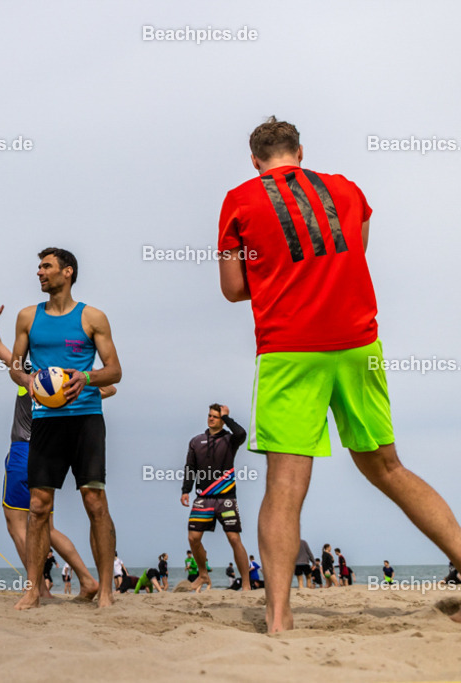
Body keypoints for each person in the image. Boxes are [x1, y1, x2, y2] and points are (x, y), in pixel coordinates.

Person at [217, 117, 461, 631]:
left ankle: (280, 617)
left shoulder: (239, 200)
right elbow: (358, 249)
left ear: (255, 160)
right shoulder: (347, 189)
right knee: (388, 467)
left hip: (291, 349)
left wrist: (279, 274)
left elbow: (234, 287)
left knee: (285, 482)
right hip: (358, 343)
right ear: (300, 152)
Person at [7, 248, 123, 610]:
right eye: (38, 267)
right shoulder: (27, 317)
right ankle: (33, 588)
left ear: (67, 272)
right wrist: (29, 379)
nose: (39, 272)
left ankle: (104, 589)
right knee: (38, 507)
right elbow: (14, 365)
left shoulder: (92, 317)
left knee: (95, 502)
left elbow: (115, 370)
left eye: (46, 266)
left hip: (86, 418)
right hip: (45, 422)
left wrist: (85, 377)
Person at [0, 305, 108, 601]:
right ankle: (85, 578)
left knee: (18, 519)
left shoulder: (33, 378)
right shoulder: (60, 382)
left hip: (27, 446)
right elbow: (112, 387)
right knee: (45, 523)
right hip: (49, 443)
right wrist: (86, 386)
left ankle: (40, 587)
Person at [181, 404, 250, 592]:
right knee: (193, 538)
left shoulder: (230, 439)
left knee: (234, 538)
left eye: (215, 417)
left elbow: (242, 434)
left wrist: (227, 417)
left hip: (226, 497)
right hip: (203, 497)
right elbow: (190, 468)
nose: (211, 419)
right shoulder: (196, 441)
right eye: (209, 415)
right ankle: (203, 575)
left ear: (222, 420)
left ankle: (246, 583)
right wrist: (185, 490)